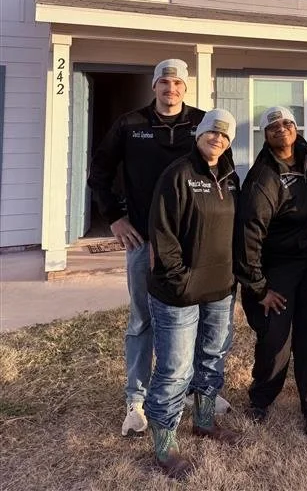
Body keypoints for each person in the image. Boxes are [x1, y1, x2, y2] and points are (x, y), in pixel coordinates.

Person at [88, 59, 228, 436]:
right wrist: (115, 217)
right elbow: (99, 172)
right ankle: (136, 399)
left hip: (195, 244)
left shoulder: (203, 123)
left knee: (198, 318)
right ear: (155, 86)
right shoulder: (130, 125)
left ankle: (197, 391)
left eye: (178, 83)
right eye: (164, 82)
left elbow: (224, 176)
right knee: (142, 319)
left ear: (186, 88)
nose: (171, 89)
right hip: (144, 242)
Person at [145, 109, 240, 478]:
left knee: (213, 356)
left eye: (224, 134)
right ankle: (164, 443)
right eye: (211, 132)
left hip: (221, 288)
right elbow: (162, 232)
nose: (217, 138)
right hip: (178, 291)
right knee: (175, 369)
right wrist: (179, 279)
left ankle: (203, 420)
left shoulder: (230, 178)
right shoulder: (179, 174)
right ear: (199, 135)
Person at [234, 106, 307, 441]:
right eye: (273, 126)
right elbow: (249, 234)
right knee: (276, 339)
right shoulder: (262, 178)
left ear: (296, 128)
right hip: (279, 270)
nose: (282, 129)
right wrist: (259, 287)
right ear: (265, 135)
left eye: (287, 123)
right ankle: (261, 399)